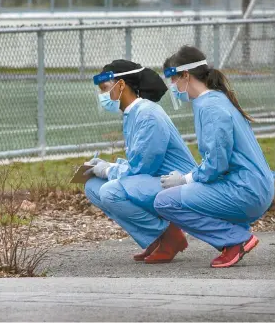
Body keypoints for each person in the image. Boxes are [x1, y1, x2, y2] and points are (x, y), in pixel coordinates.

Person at [155, 45, 274, 268]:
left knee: (165, 201)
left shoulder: (210, 107)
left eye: (173, 79)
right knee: (182, 194)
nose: (172, 86)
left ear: (186, 75)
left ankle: (236, 240)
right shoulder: (215, 100)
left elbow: (216, 164)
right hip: (254, 187)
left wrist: (185, 179)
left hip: (246, 191)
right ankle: (236, 233)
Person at [84, 60, 197, 263]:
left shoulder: (148, 114)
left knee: (111, 192)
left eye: (104, 89)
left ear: (120, 85)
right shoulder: (133, 113)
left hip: (178, 184)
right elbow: (139, 163)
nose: (102, 96)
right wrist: (105, 167)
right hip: (155, 181)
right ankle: (154, 239)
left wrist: (109, 169)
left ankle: (171, 237)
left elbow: (143, 168)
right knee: (92, 186)